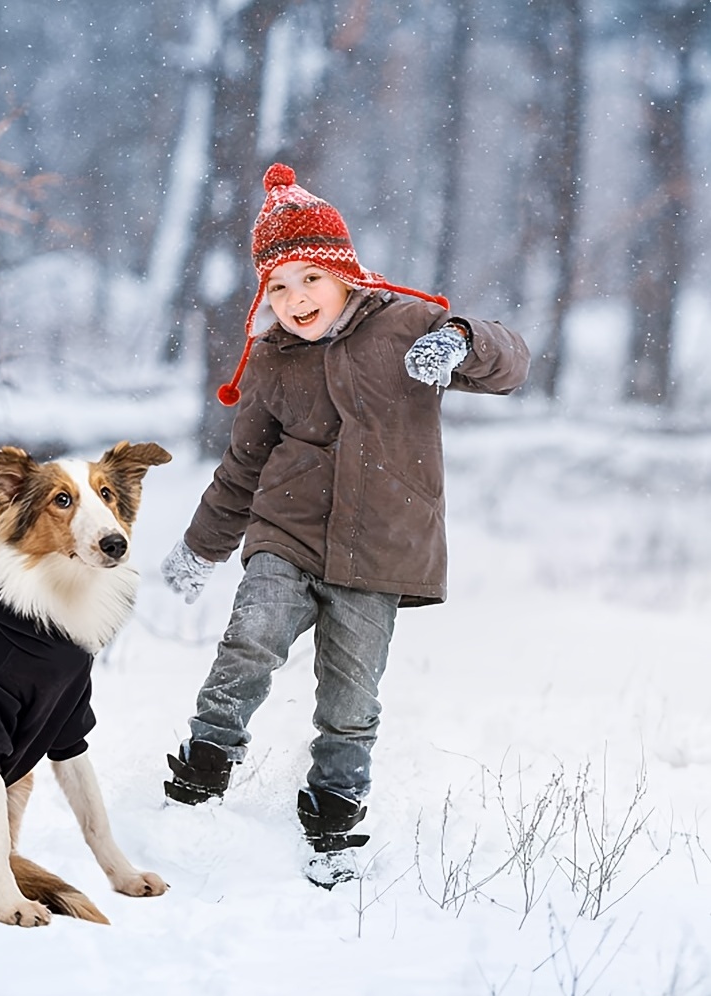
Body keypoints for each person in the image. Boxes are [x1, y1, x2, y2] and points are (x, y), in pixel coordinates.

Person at [161, 163, 530, 887]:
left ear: (344, 273)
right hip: (287, 532)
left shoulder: (407, 327)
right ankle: (207, 760)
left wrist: (459, 340)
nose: (295, 299)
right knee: (252, 636)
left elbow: (511, 361)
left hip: (381, 550)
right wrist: (202, 547)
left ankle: (333, 805)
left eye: (310, 280)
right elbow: (241, 467)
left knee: (351, 691)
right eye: (278, 285)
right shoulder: (270, 361)